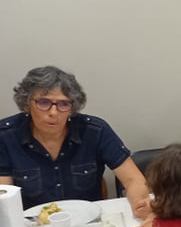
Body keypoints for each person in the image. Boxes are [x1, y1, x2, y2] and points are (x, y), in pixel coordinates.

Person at [0, 66, 151, 218]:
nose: (53, 112)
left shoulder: (95, 131)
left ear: (73, 107)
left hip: (89, 224)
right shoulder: (5, 136)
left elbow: (133, 179)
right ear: (27, 103)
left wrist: (139, 203)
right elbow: (3, 197)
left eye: (63, 104)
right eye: (44, 103)